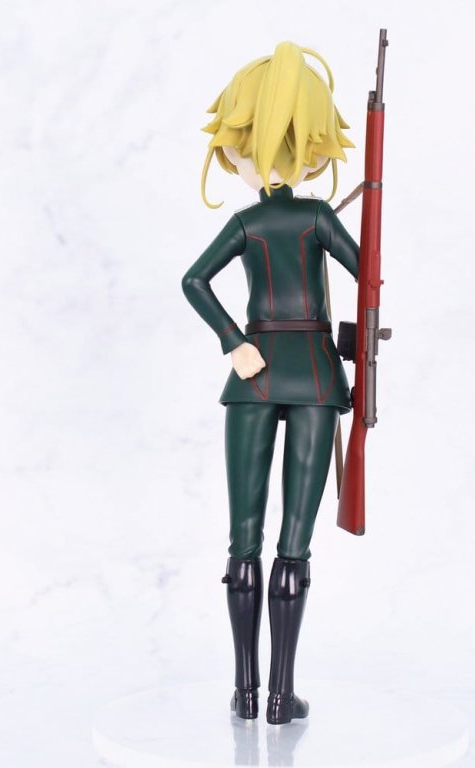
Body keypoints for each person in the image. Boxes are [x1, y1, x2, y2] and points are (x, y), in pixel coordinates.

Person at [181, 41, 360, 725]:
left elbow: (194, 281)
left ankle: (248, 691)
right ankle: (278, 694)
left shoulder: (250, 222)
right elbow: (371, 276)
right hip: (313, 374)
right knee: (291, 543)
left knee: (244, 539)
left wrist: (237, 343)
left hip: (253, 376)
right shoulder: (316, 217)